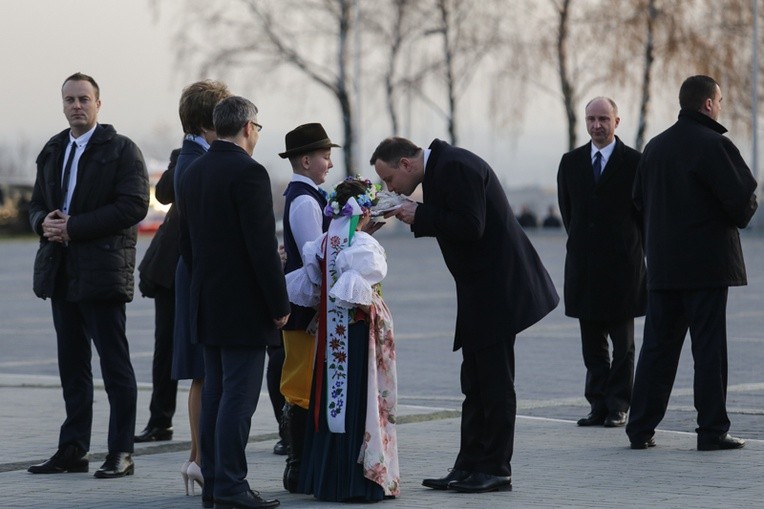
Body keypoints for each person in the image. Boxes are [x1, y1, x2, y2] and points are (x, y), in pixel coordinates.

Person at [371, 137, 559, 493]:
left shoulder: (455, 166)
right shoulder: (442, 168)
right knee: (474, 381)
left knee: (495, 382)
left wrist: (419, 214)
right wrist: (415, 211)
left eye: (389, 179)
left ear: (406, 165)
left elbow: (472, 225)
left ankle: (496, 468)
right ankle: (469, 464)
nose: (389, 187)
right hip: (481, 291)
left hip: (498, 289)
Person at [27, 72, 149, 478]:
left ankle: (121, 452)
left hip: (102, 272)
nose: (76, 105)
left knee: (115, 367)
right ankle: (73, 449)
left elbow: (133, 206)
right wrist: (43, 221)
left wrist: (74, 227)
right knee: (72, 365)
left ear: (99, 104)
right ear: (62, 105)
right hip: (61, 272)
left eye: (84, 99)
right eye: (69, 100)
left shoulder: (121, 150)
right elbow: (36, 204)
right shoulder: (53, 148)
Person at [627, 75, 757, 451]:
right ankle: (712, 431)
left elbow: (637, 202)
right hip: (707, 268)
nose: (720, 105)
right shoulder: (714, 144)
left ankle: (640, 428)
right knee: (709, 351)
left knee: (656, 350)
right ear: (707, 105)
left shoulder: (654, 147)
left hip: (664, 268)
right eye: (720, 99)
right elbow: (743, 205)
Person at [178, 95, 289, 509]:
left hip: (207, 304)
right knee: (238, 400)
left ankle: (214, 484)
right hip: (243, 308)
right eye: (257, 128)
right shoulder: (250, 173)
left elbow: (186, 249)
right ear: (247, 127)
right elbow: (261, 249)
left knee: (216, 396)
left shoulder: (194, 172)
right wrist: (278, 304)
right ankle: (231, 485)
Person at [286, 177, 399, 502]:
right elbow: (363, 284)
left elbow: (313, 286)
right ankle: (357, 479)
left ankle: (327, 478)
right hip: (360, 331)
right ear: (363, 213)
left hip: (331, 333)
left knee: (333, 398)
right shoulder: (363, 244)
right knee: (361, 398)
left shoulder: (323, 242)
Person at [556, 97, 646, 429]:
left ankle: (619, 404)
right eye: (591, 119)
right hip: (584, 266)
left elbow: (644, 216)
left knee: (623, 345)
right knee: (592, 344)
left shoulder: (635, 163)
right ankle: (598, 404)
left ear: (617, 122)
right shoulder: (570, 162)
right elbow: (569, 213)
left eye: (603, 119)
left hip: (623, 266)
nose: (597, 125)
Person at [171, 79, 232, 498]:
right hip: (199, 276)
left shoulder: (194, 155)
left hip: (195, 273)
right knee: (202, 371)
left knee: (204, 371)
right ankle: (199, 457)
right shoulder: (193, 160)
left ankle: (199, 458)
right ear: (210, 119)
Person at [277, 122, 338, 491]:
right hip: (304, 308)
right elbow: (315, 259)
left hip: (308, 305)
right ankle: (296, 465)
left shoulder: (309, 195)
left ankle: (304, 463)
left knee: (306, 382)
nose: (329, 164)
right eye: (325, 157)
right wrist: (320, 308)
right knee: (299, 385)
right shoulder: (303, 200)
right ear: (305, 160)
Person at [135, 148, 181, 446]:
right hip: (171, 270)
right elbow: (163, 194)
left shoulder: (233, 155)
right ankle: (160, 420)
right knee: (165, 347)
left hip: (209, 269)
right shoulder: (183, 155)